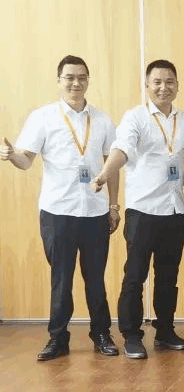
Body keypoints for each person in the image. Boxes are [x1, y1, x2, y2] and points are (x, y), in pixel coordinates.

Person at [1, 55, 120, 360]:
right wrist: (11, 155)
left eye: (82, 77)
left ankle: (102, 334)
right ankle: (57, 338)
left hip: (94, 211)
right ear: (59, 80)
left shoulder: (102, 120)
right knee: (61, 279)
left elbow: (112, 166)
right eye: (69, 77)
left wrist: (113, 205)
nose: (76, 83)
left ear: (88, 80)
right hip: (58, 212)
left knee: (96, 278)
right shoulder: (43, 117)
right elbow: (26, 160)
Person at [92, 59, 184, 359]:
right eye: (157, 82)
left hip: (175, 210)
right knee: (135, 276)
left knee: (168, 276)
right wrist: (104, 174)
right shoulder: (135, 117)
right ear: (147, 85)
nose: (164, 87)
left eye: (169, 82)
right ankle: (131, 335)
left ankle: (165, 330)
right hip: (143, 211)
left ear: (177, 85)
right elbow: (122, 150)